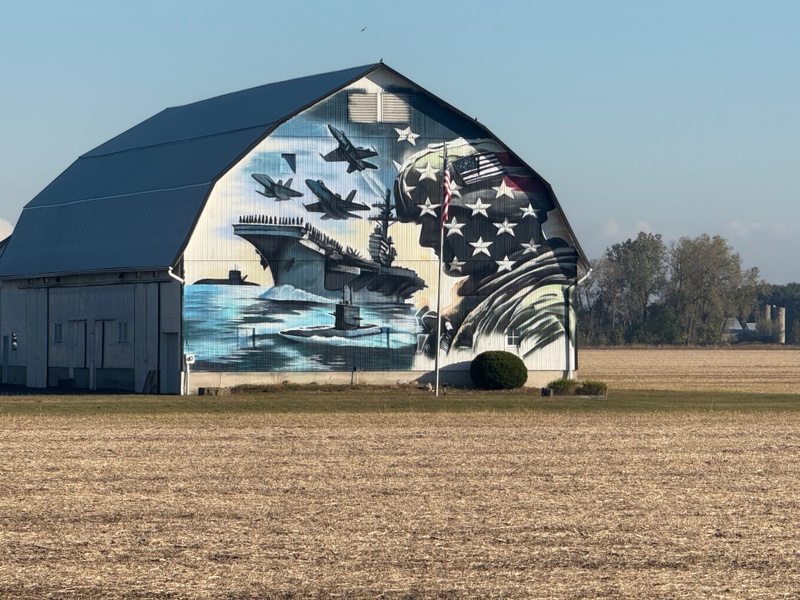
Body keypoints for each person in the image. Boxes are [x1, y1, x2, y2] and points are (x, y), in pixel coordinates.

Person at [394, 138, 579, 358]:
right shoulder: (489, 304)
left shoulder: (538, 312)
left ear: (497, 215)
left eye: (436, 221)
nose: (425, 240)